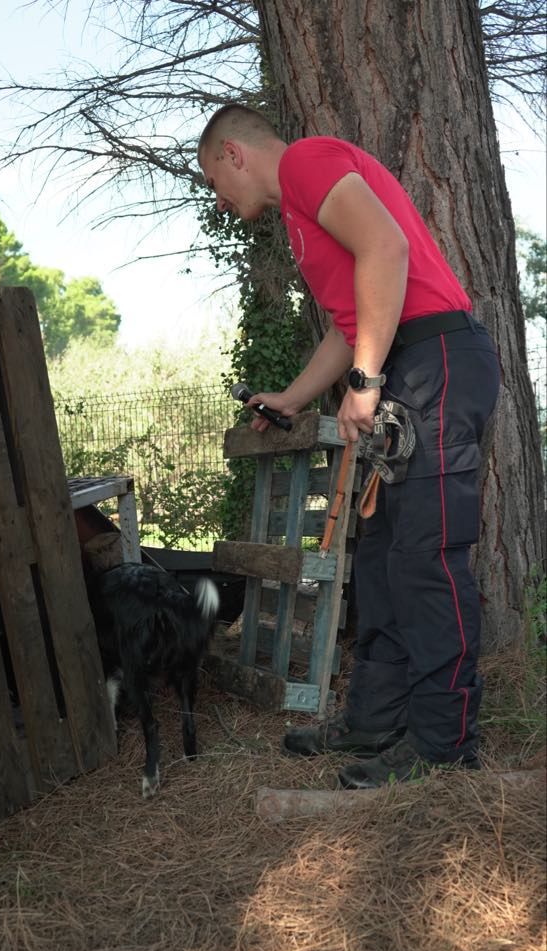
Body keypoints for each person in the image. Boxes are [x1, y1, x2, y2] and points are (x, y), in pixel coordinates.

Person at [198, 103, 500, 789]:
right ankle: (374, 719)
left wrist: (364, 382)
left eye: (215, 182)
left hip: (435, 362)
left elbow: (386, 250)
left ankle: (442, 746)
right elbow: (354, 318)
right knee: (384, 563)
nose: (220, 200)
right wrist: (295, 398)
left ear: (233, 154)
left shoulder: (306, 162)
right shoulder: (303, 218)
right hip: (408, 365)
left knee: (424, 561)